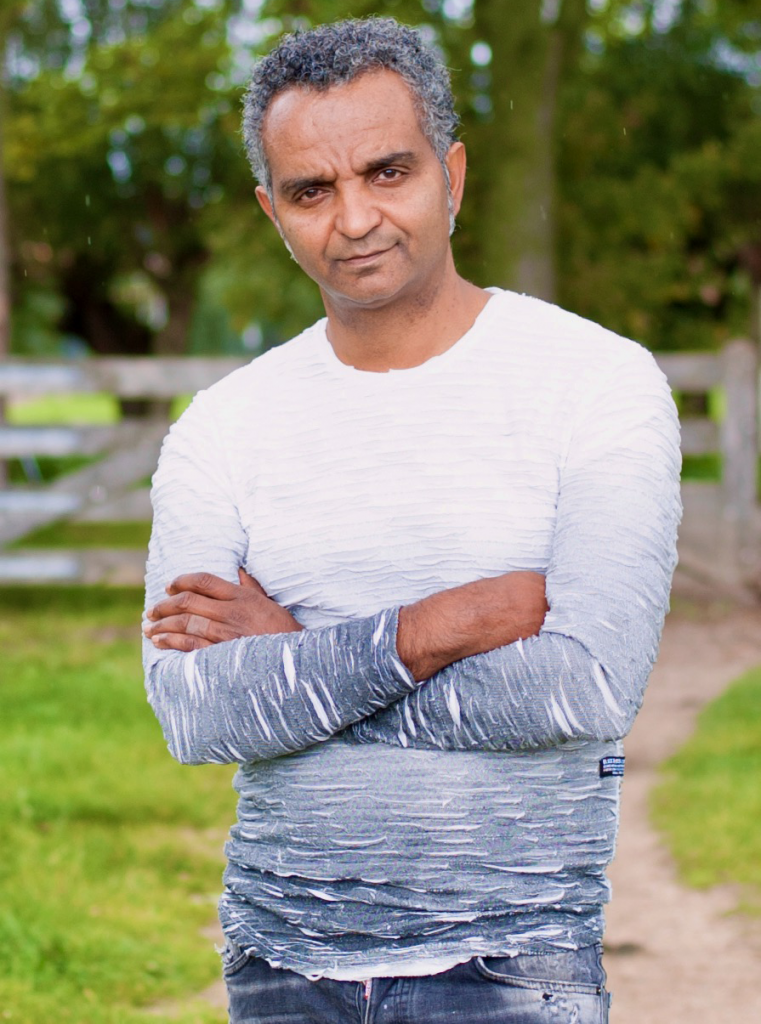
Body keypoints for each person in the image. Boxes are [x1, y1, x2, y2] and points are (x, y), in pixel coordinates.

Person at [142, 17, 681, 1024]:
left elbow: (586, 686)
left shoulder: (596, 384)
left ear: (452, 174)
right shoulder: (222, 425)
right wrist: (434, 630)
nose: (354, 219)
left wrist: (297, 661)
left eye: (387, 172)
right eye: (311, 190)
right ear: (272, 211)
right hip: (279, 961)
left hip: (511, 962)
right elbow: (195, 712)